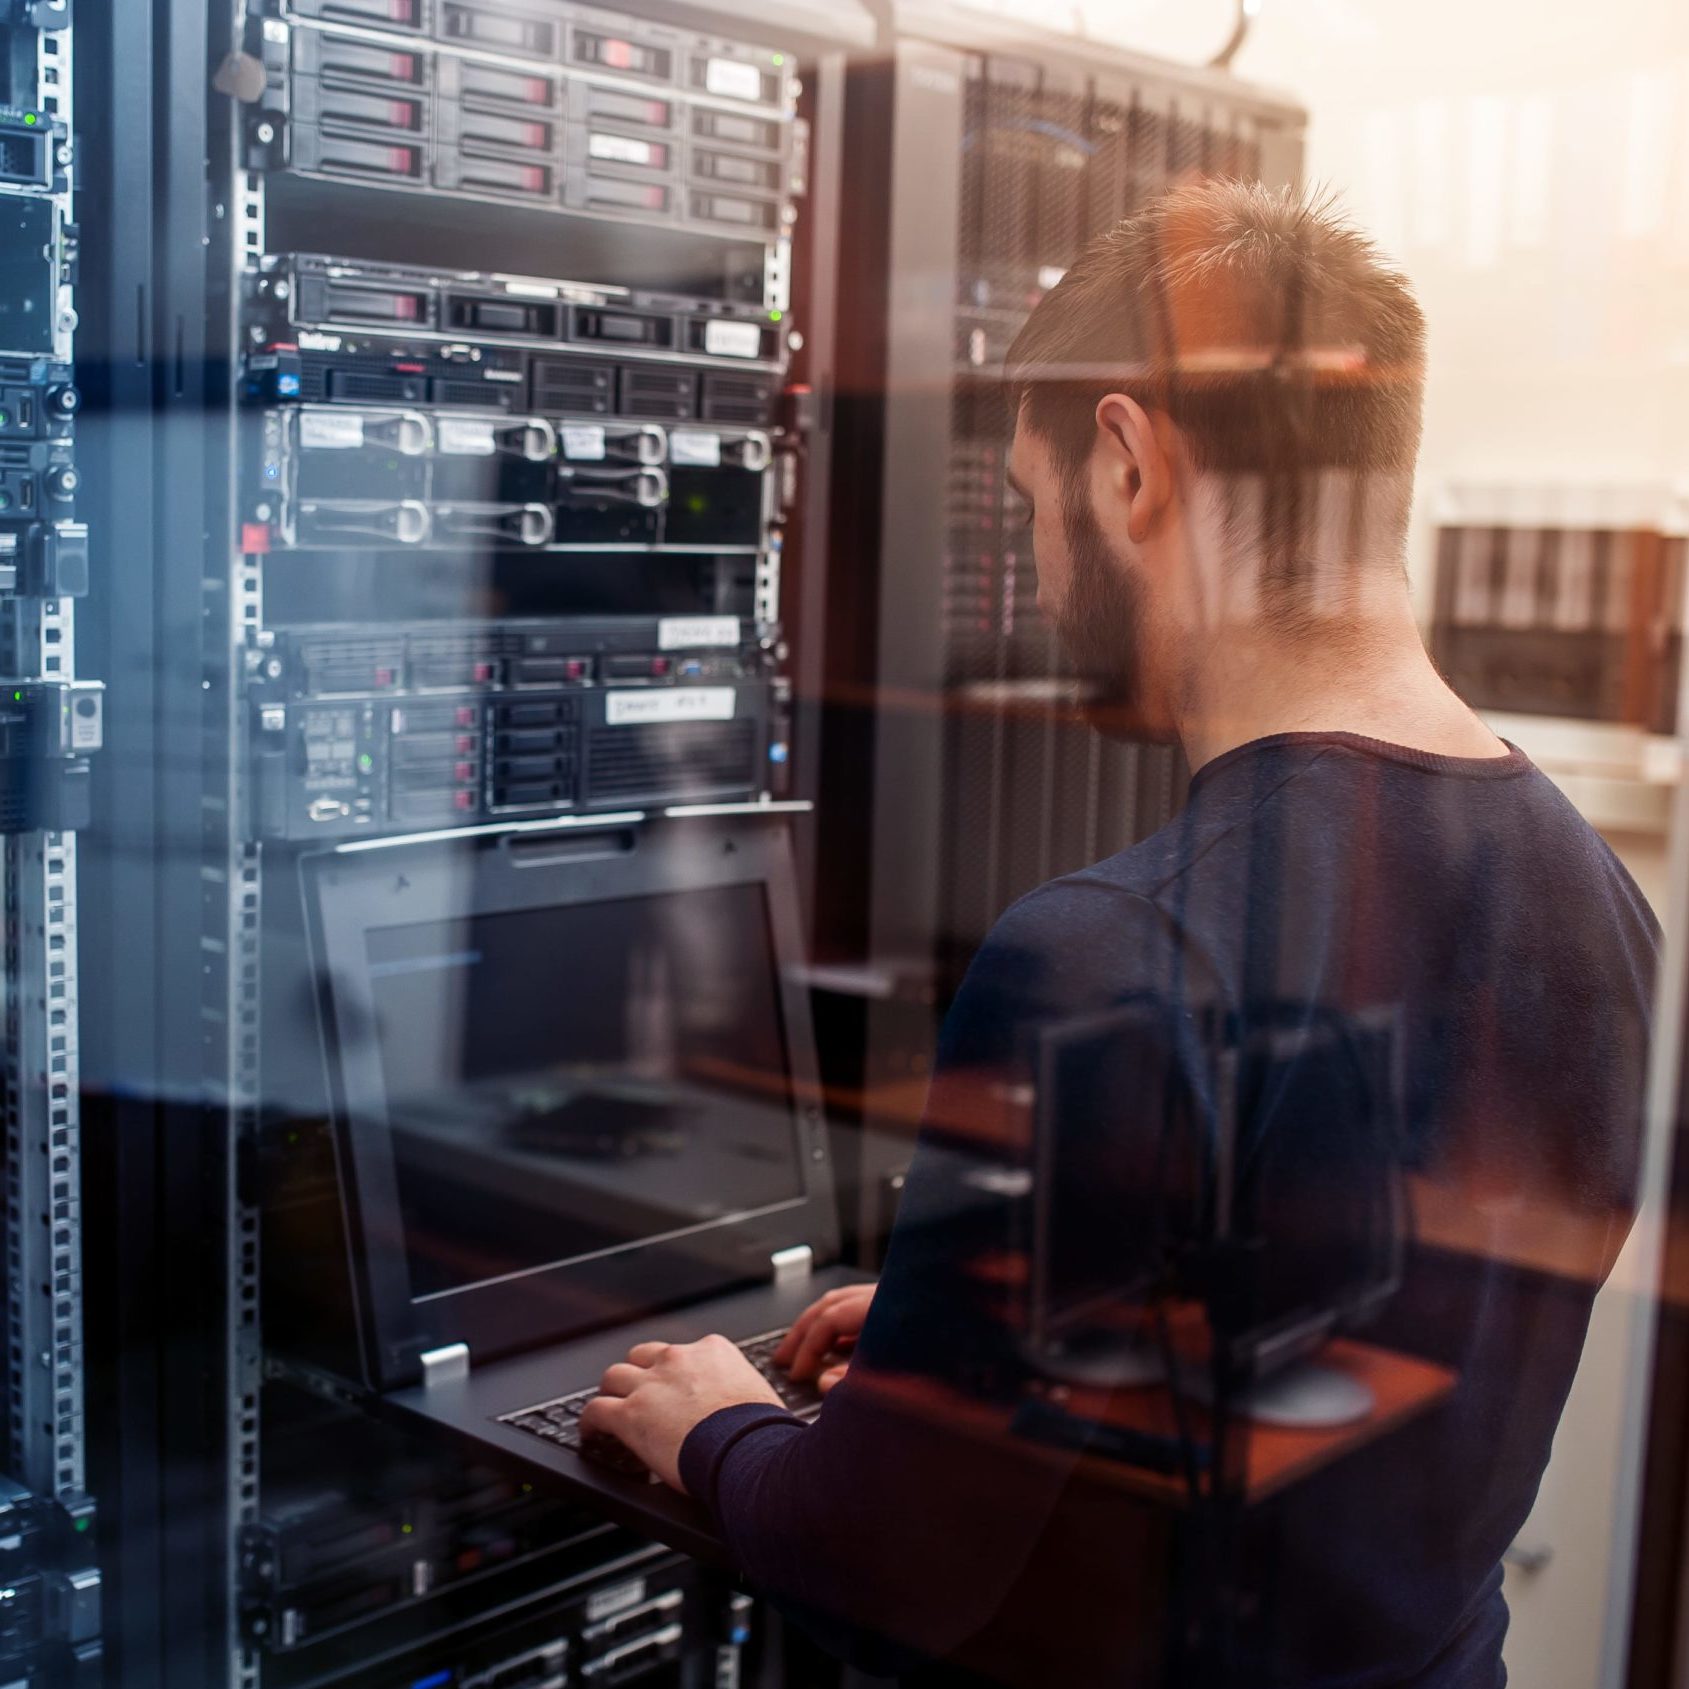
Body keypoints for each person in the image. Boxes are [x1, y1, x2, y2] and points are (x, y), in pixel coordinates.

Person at [579, 181, 1658, 1686]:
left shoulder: (1102, 952)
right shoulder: (1598, 900)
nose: (1032, 574)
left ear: (1129, 462)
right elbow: (1332, 1326)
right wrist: (970, 1334)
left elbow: (889, 1569)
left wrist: (720, 1423)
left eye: (1030, 508)